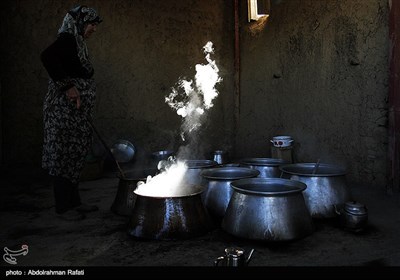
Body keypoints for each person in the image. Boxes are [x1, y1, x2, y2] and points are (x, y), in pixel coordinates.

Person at [40, 5, 102, 221]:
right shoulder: (67, 38)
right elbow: (47, 56)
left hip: (74, 113)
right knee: (63, 156)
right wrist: (68, 87)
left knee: (74, 156)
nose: (94, 28)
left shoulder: (77, 43)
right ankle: (63, 208)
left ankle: (75, 203)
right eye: (91, 23)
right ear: (79, 22)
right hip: (63, 113)